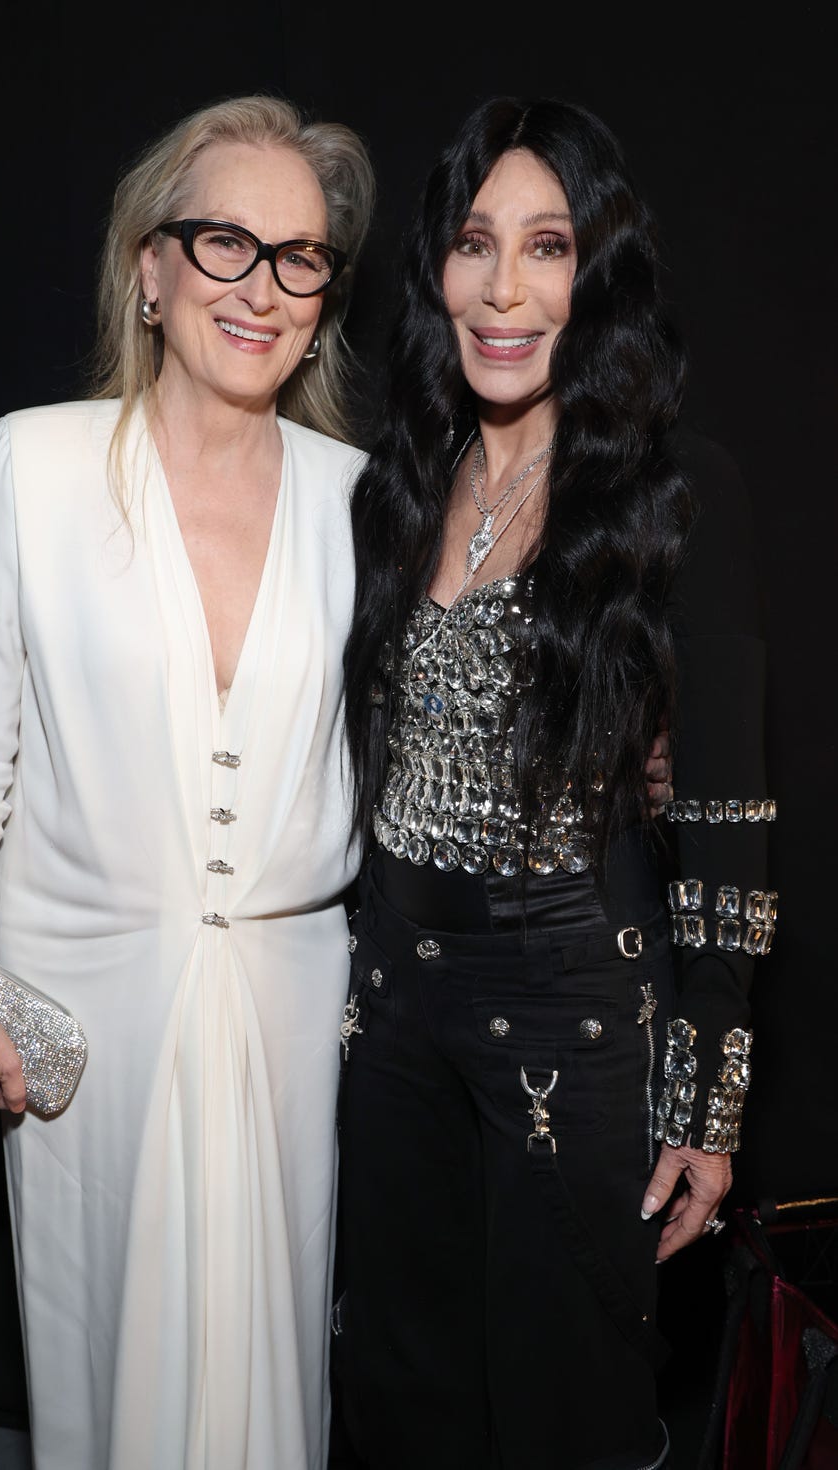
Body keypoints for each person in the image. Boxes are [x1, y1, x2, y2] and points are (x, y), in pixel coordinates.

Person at [0, 94, 377, 1470]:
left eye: (298, 257)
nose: (262, 286)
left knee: (275, 1355)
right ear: (150, 268)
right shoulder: (37, 463)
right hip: (85, 1006)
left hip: (292, 1003)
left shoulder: (364, 496)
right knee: (102, 1357)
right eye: (224, 242)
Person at [335, 95, 772, 1470]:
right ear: (439, 271)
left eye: (548, 246)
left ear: (601, 275)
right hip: (395, 1002)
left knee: (560, 1410)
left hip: (574, 1013)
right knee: (400, 1400)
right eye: (476, 243)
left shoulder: (671, 494)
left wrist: (707, 1094)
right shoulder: (396, 487)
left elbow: (726, 818)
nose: (505, 288)